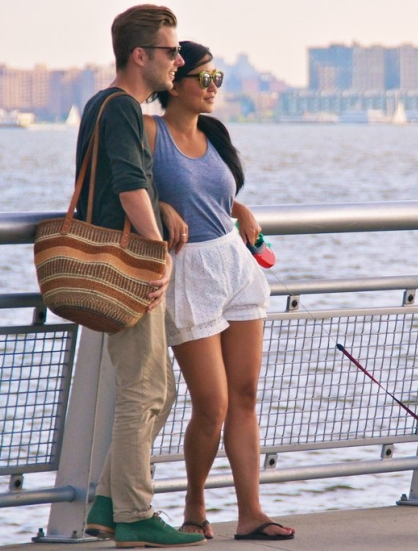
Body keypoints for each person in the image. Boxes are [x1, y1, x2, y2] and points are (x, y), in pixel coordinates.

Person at [142, 41, 295, 542]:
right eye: (204, 79)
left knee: (246, 395)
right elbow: (117, 185)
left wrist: (241, 209)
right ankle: (194, 505)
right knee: (212, 404)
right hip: (189, 276)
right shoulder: (149, 132)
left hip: (235, 265)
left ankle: (250, 513)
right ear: (175, 82)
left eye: (218, 79)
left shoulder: (214, 132)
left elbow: (216, 194)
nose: (213, 89)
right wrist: (158, 206)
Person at [77, 6, 205, 548]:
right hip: (129, 265)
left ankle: (108, 505)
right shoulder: (124, 108)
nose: (179, 60)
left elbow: (123, 185)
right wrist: (158, 254)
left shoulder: (102, 106)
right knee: (145, 388)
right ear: (140, 55)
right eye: (171, 51)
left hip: (112, 260)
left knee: (160, 387)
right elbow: (128, 186)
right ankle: (135, 513)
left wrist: (164, 206)